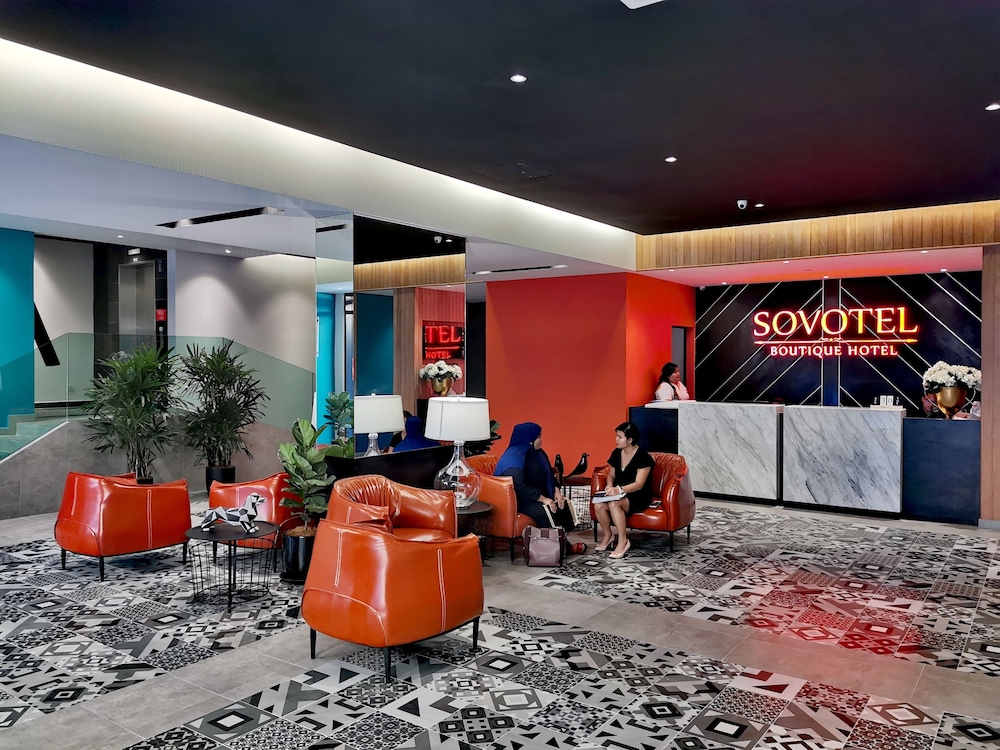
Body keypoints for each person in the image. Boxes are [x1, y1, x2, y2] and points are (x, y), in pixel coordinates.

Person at [495, 422, 576, 531]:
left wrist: (556, 491)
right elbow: (519, 486)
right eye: (538, 437)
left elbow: (549, 474)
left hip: (540, 495)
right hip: (523, 500)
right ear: (529, 439)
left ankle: (562, 539)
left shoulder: (538, 453)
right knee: (547, 513)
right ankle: (554, 540)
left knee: (563, 508)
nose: (541, 440)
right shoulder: (513, 459)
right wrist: (543, 499)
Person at [593, 421, 655, 559]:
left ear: (630, 440)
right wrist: (609, 485)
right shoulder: (616, 453)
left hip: (638, 495)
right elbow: (611, 476)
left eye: (620, 437)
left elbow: (639, 484)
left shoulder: (643, 457)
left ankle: (623, 541)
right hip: (619, 493)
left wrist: (619, 490)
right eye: (616, 436)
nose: (616, 439)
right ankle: (608, 536)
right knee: (598, 505)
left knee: (614, 503)